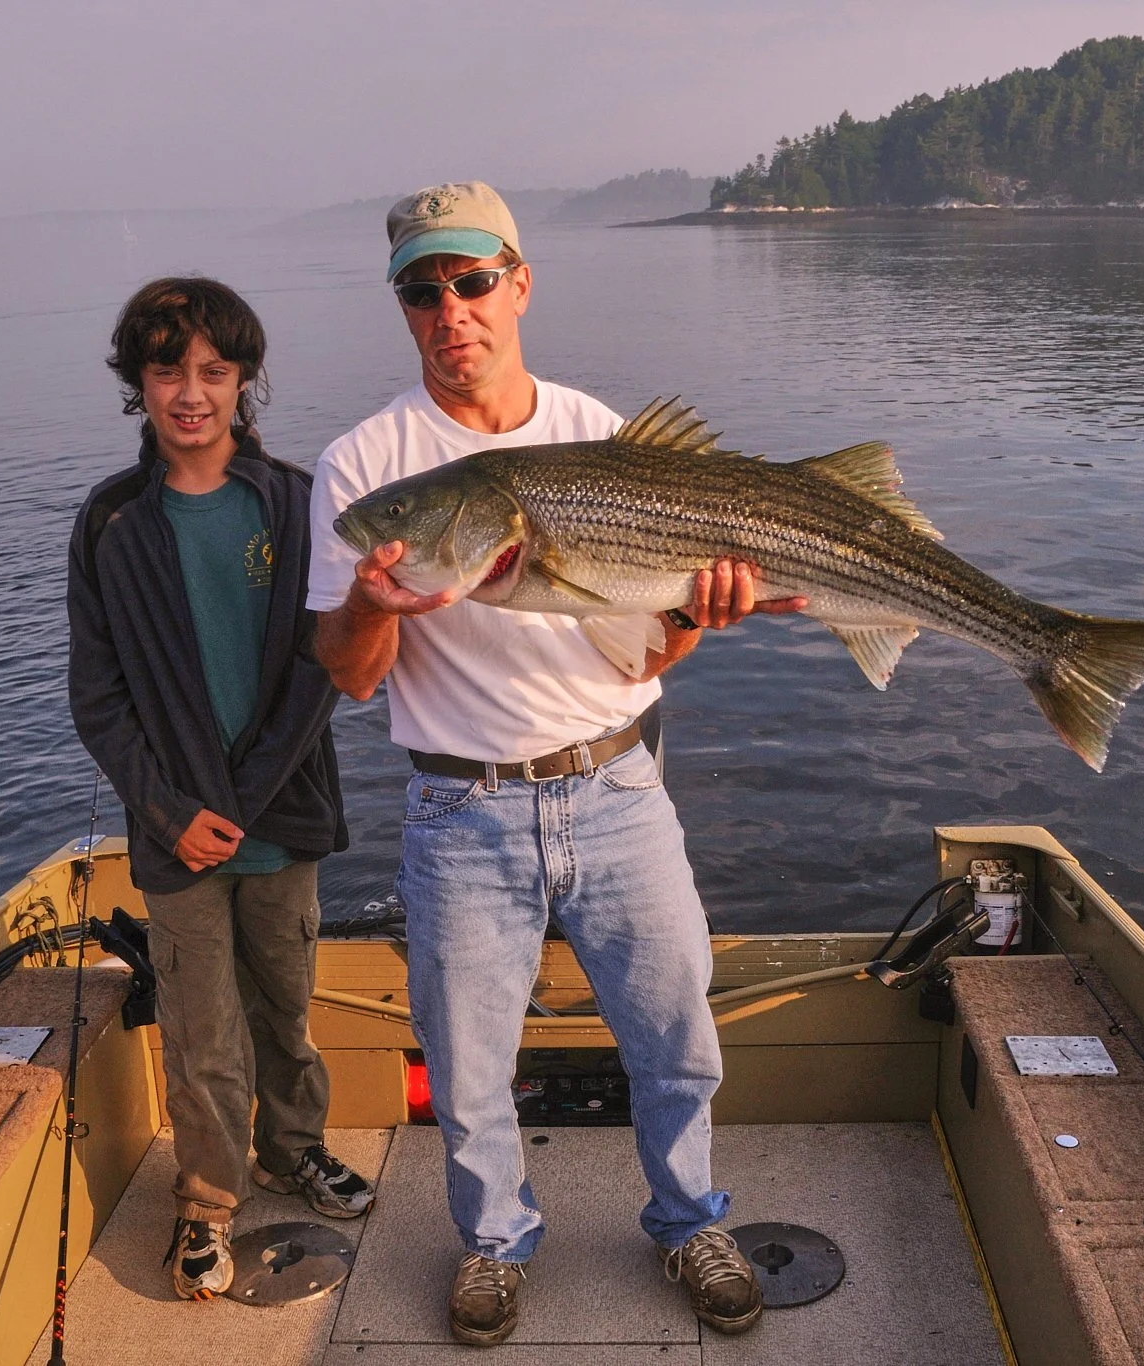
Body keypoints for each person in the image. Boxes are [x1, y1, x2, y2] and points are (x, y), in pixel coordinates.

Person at [309, 183, 805, 1346]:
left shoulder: (598, 432)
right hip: (458, 805)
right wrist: (379, 604)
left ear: (519, 282)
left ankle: (689, 1218)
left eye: (473, 281)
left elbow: (647, 654)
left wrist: (699, 614)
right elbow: (348, 673)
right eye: (422, 291)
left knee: (676, 1031)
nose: (452, 311)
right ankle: (492, 1242)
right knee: (469, 1063)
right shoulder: (367, 465)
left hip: (618, 786)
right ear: (403, 306)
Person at [67, 278, 373, 1302]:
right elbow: (98, 701)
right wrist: (167, 812)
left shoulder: (296, 502)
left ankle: (295, 1149)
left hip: (281, 822)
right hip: (174, 841)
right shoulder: (109, 523)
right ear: (138, 384)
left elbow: (326, 666)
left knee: (285, 1010)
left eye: (212, 370)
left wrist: (237, 801)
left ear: (243, 379)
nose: (190, 393)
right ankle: (205, 1201)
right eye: (168, 371)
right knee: (203, 1035)